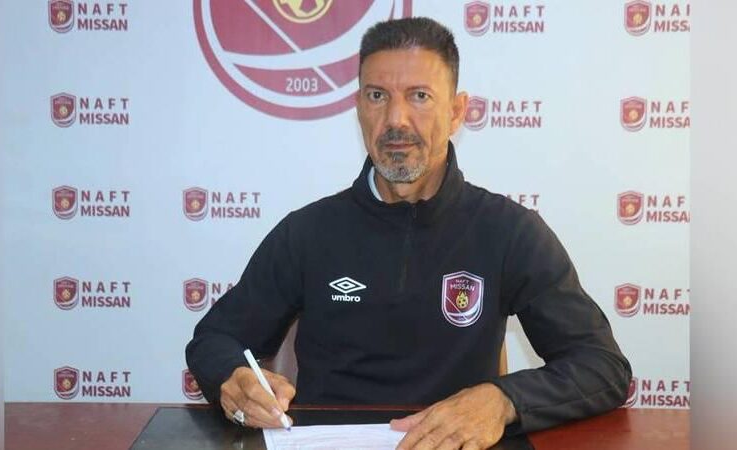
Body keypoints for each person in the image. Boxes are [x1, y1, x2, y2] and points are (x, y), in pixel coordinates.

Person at [186, 17, 631, 450]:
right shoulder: (307, 232)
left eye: (419, 96)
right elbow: (215, 340)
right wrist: (233, 377)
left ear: (456, 112)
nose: (396, 119)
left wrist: (502, 400)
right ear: (359, 107)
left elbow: (603, 366)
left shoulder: (509, 231)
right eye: (377, 96)